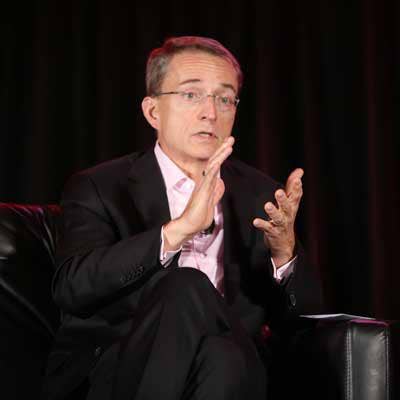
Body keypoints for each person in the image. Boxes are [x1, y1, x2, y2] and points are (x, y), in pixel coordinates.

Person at [42, 36, 322, 400]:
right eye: (191, 95)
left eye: (225, 99)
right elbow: (73, 287)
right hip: (121, 368)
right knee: (186, 288)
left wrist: (284, 254)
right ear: (153, 112)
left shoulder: (262, 195)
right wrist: (177, 232)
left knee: (224, 356)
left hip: (230, 373)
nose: (211, 112)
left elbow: (307, 321)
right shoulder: (101, 186)